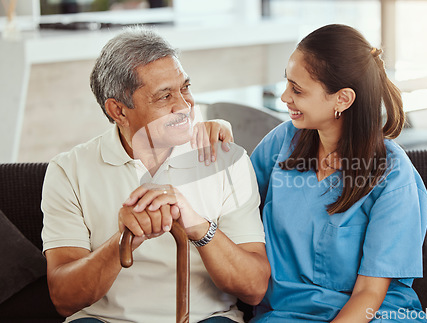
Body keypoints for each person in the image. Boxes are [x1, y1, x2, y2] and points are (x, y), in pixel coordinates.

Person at [41, 26, 270, 323]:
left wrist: (199, 227)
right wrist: (123, 241)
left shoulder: (226, 160)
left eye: (185, 88)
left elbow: (254, 289)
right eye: (164, 97)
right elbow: (64, 299)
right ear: (118, 111)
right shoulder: (68, 170)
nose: (185, 106)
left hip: (207, 318)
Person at [249, 24, 427, 322]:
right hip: (288, 314)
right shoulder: (281, 144)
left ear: (342, 99)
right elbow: (228, 203)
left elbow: (369, 294)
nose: (284, 97)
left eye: (297, 89)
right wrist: (219, 140)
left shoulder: (392, 175)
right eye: (287, 83)